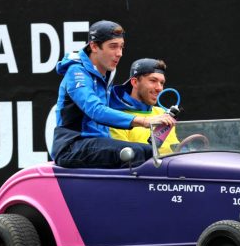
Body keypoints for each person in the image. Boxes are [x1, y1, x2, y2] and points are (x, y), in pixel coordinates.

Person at [50, 20, 175, 168]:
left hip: (96, 143)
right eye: (113, 47)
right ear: (94, 46)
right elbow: (96, 110)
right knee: (137, 153)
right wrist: (144, 121)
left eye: (121, 47)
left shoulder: (106, 73)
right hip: (71, 145)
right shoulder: (76, 71)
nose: (119, 53)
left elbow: (117, 104)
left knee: (150, 151)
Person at [109, 58, 179, 154]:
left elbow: (174, 150)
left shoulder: (163, 114)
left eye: (162, 83)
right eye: (153, 80)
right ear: (135, 82)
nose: (159, 88)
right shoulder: (116, 117)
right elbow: (125, 160)